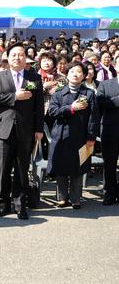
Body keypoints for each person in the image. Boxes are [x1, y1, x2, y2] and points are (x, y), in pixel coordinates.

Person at [0, 44, 44, 220]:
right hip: (3, 129)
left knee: (21, 169)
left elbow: (39, 106)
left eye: (20, 55)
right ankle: (3, 203)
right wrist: (14, 97)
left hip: (25, 130)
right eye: (13, 55)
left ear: (25, 58)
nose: (17, 58)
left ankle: (20, 205)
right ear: (7, 58)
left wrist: (39, 129)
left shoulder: (34, 78)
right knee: (3, 170)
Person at [47, 62, 98, 209]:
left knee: (78, 169)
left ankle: (76, 198)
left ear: (83, 75)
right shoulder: (58, 93)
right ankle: (62, 198)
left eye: (79, 72)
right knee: (61, 168)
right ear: (67, 75)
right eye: (72, 72)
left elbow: (93, 118)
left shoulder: (89, 94)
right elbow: (53, 112)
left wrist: (91, 138)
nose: (75, 74)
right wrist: (71, 108)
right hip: (61, 136)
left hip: (81, 136)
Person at [96, 55, 119, 205]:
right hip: (110, 130)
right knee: (109, 164)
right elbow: (101, 103)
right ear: (115, 66)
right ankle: (110, 193)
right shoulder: (105, 84)